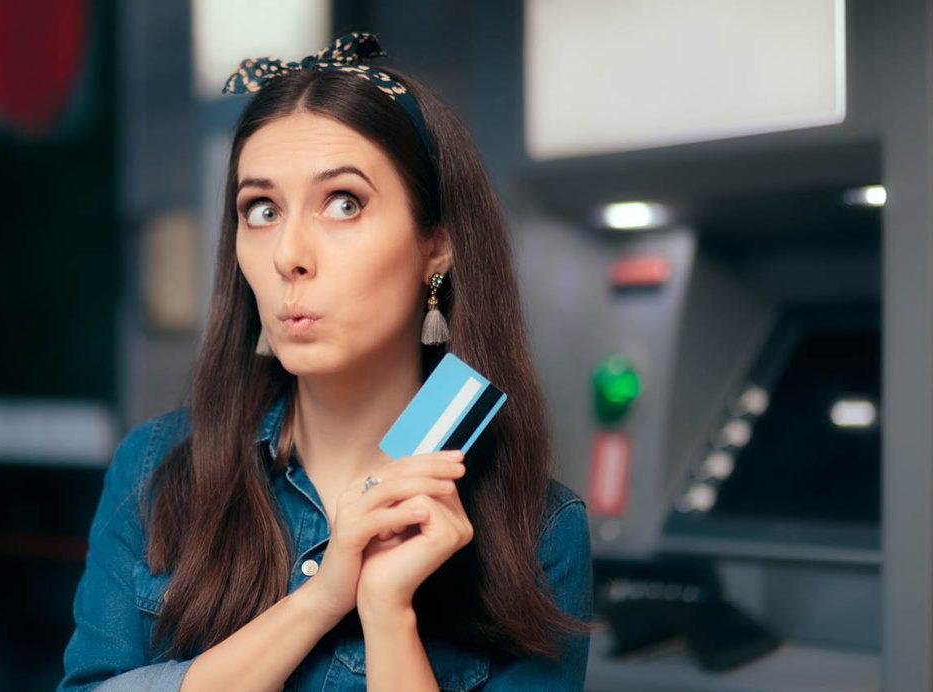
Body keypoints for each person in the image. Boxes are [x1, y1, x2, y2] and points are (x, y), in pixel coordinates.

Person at [58, 31, 592, 692]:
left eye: (344, 203)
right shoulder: (157, 470)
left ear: (437, 246)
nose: (289, 254)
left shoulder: (536, 531)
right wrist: (318, 601)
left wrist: (388, 611)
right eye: (261, 209)